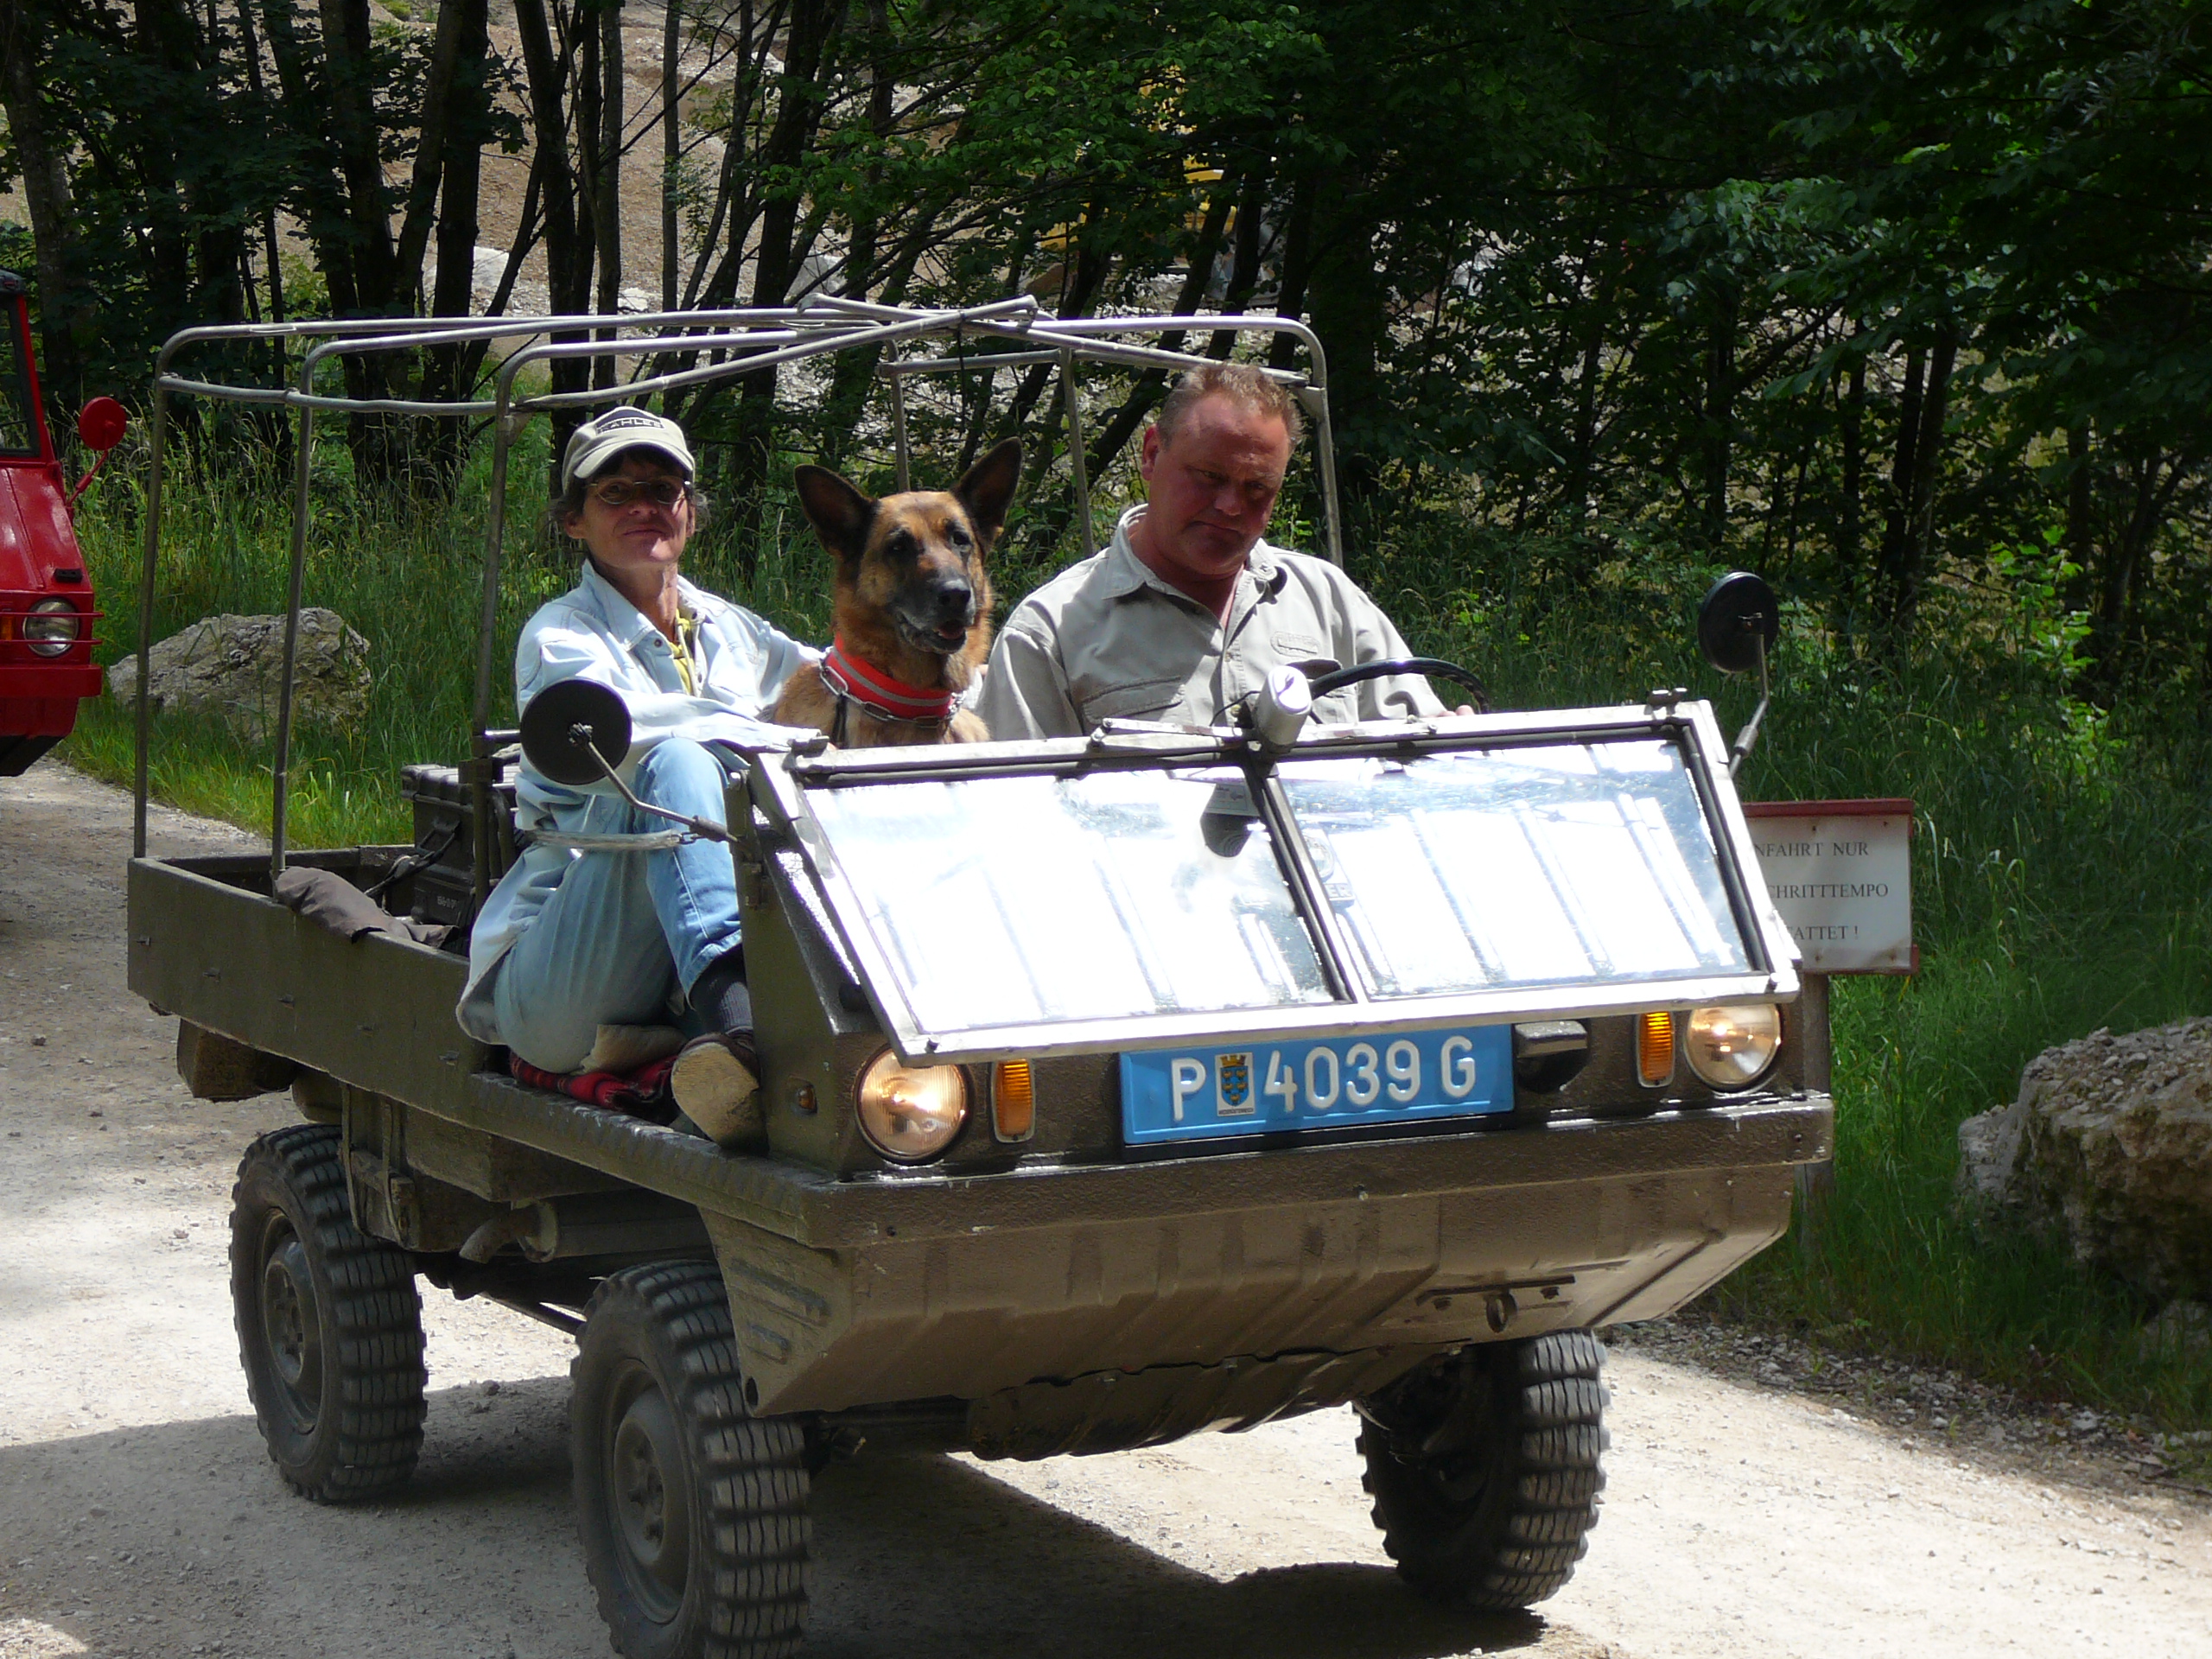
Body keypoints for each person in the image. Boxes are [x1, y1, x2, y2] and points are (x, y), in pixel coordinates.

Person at [455, 407, 814, 1144]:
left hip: (673, 972)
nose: (643, 507)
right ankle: (741, 1022)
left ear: (691, 513)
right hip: (565, 985)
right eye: (615, 493)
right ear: (574, 521)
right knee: (676, 762)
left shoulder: (733, 628)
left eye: (662, 489)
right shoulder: (560, 635)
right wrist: (778, 739)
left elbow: (832, 691)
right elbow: (635, 735)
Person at [974, 361, 1448, 739]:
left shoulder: (1327, 601)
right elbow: (1018, 810)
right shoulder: (1050, 633)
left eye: (1257, 487)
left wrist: (1456, 741)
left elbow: (1423, 757)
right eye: (1209, 477)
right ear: (1152, 455)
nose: (1230, 506)